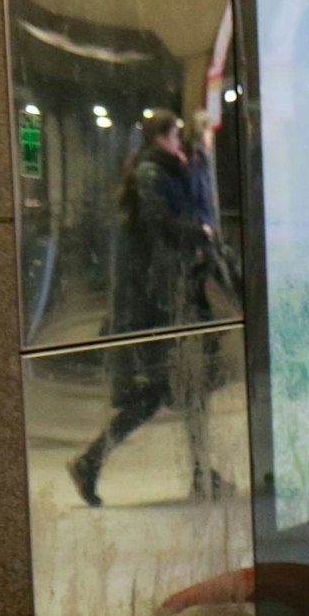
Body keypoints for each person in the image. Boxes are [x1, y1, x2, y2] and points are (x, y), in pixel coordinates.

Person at [68, 110, 222, 506]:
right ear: (161, 139)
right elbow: (163, 228)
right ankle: (91, 461)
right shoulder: (151, 176)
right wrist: (198, 232)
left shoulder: (164, 172)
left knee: (185, 390)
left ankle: (202, 473)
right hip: (155, 304)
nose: (179, 143)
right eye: (175, 137)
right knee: (159, 394)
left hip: (167, 298)